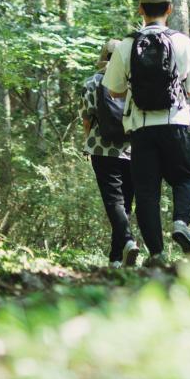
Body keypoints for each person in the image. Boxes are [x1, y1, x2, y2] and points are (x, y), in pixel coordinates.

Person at [103, 0, 190, 258]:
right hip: (177, 123)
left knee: (147, 192)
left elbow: (113, 90)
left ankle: (157, 254)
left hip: (142, 128)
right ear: (169, 10)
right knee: (185, 179)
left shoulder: (127, 45)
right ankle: (181, 223)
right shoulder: (183, 42)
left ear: (141, 10)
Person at [82, 39, 139, 268]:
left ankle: (125, 242)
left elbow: (87, 117)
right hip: (132, 149)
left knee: (113, 199)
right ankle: (116, 258)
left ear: (103, 57)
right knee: (126, 202)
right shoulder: (135, 82)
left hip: (101, 147)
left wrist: (88, 141)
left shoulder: (93, 82)